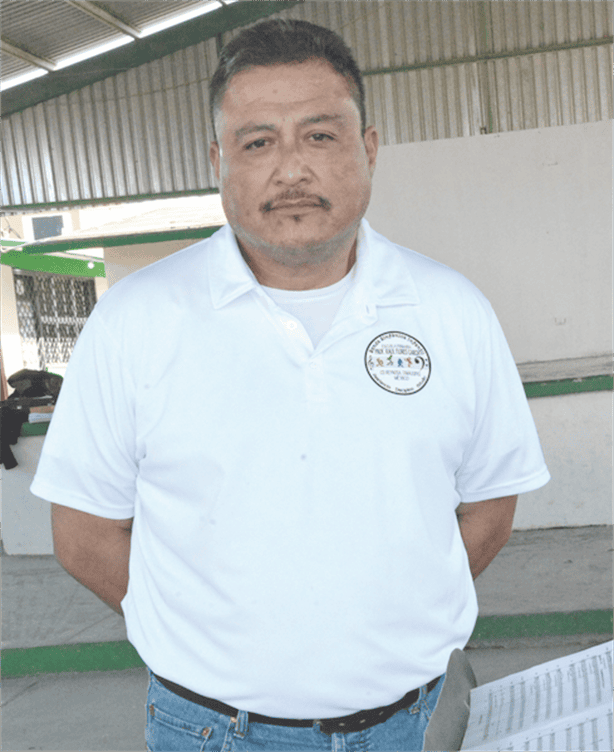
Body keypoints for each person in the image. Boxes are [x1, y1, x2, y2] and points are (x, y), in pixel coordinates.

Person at [31, 19, 550, 752]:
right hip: (208, 730)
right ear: (218, 161)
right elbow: (84, 535)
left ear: (368, 148)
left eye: (320, 135)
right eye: (257, 142)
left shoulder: (451, 311)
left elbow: (491, 502)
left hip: (409, 724)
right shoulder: (136, 321)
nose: (291, 169)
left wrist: (391, 619)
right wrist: (215, 641)